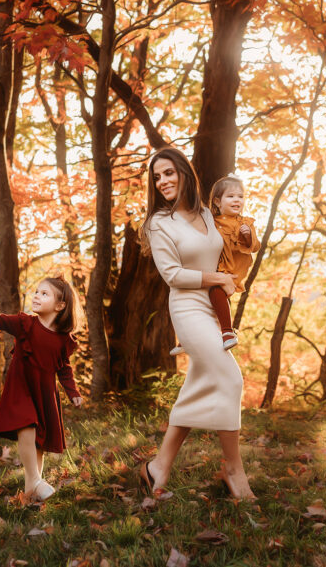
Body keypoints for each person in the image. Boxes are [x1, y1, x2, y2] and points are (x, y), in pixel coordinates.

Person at [138, 147, 255, 500]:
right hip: (188, 308)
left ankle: (158, 467)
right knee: (230, 377)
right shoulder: (159, 223)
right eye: (157, 177)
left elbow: (229, 248)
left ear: (185, 174)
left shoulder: (208, 212)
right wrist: (215, 280)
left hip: (215, 307)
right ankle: (233, 470)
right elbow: (172, 274)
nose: (163, 182)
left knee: (198, 386)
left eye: (169, 173)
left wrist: (245, 243)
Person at [0, 277, 84, 502]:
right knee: (27, 425)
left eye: (44, 294)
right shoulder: (26, 324)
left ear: (60, 306)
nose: (36, 296)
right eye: (36, 291)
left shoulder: (63, 340)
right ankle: (35, 482)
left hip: (44, 393)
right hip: (20, 387)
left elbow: (64, 368)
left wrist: (73, 393)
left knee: (39, 440)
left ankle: (32, 488)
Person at [170, 174, 259, 355]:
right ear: (218, 201)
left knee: (217, 292)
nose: (237, 200)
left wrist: (247, 236)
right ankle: (188, 338)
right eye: (231, 196)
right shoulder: (210, 220)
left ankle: (227, 332)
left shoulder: (245, 223)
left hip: (230, 270)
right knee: (196, 297)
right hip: (211, 267)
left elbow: (254, 247)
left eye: (240, 197)